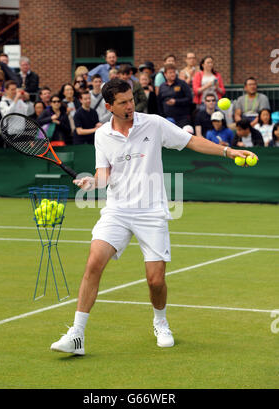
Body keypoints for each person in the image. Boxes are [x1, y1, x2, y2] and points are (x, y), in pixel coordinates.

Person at [50, 78, 257, 356]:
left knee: (155, 280)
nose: (130, 106)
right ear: (109, 106)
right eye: (123, 102)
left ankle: (160, 322)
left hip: (151, 211)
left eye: (131, 100)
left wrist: (228, 151)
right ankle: (77, 334)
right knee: (93, 263)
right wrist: (91, 183)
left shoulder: (154, 123)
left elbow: (191, 141)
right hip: (117, 210)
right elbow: (104, 174)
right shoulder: (101, 135)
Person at [157, 63, 192, 127]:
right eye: (170, 73)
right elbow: (159, 103)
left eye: (174, 72)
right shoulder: (162, 86)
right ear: (165, 74)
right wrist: (162, 116)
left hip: (182, 119)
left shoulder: (182, 84)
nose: (173, 74)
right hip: (167, 119)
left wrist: (176, 101)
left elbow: (189, 99)